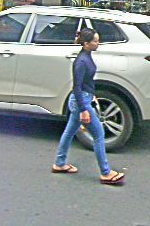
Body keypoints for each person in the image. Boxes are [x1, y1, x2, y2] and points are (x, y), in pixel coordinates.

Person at [52, 28, 126, 184]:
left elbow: (86, 83)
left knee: (69, 132)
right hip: (80, 102)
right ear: (86, 44)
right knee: (98, 134)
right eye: (95, 41)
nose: (98, 43)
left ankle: (59, 163)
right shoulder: (81, 62)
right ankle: (106, 173)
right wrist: (84, 109)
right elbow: (77, 86)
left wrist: (91, 95)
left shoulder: (86, 56)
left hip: (83, 99)